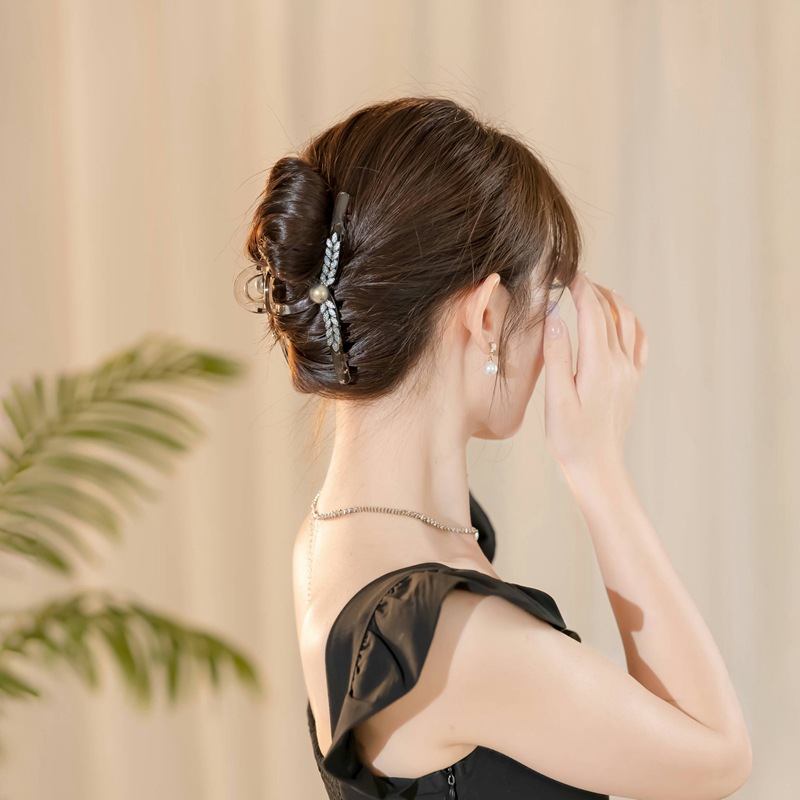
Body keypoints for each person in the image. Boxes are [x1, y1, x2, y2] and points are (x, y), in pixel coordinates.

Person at [235, 96, 752, 799]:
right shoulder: (457, 641)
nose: (553, 338)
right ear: (485, 315)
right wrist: (597, 468)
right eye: (547, 301)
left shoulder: (327, 539)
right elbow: (720, 756)